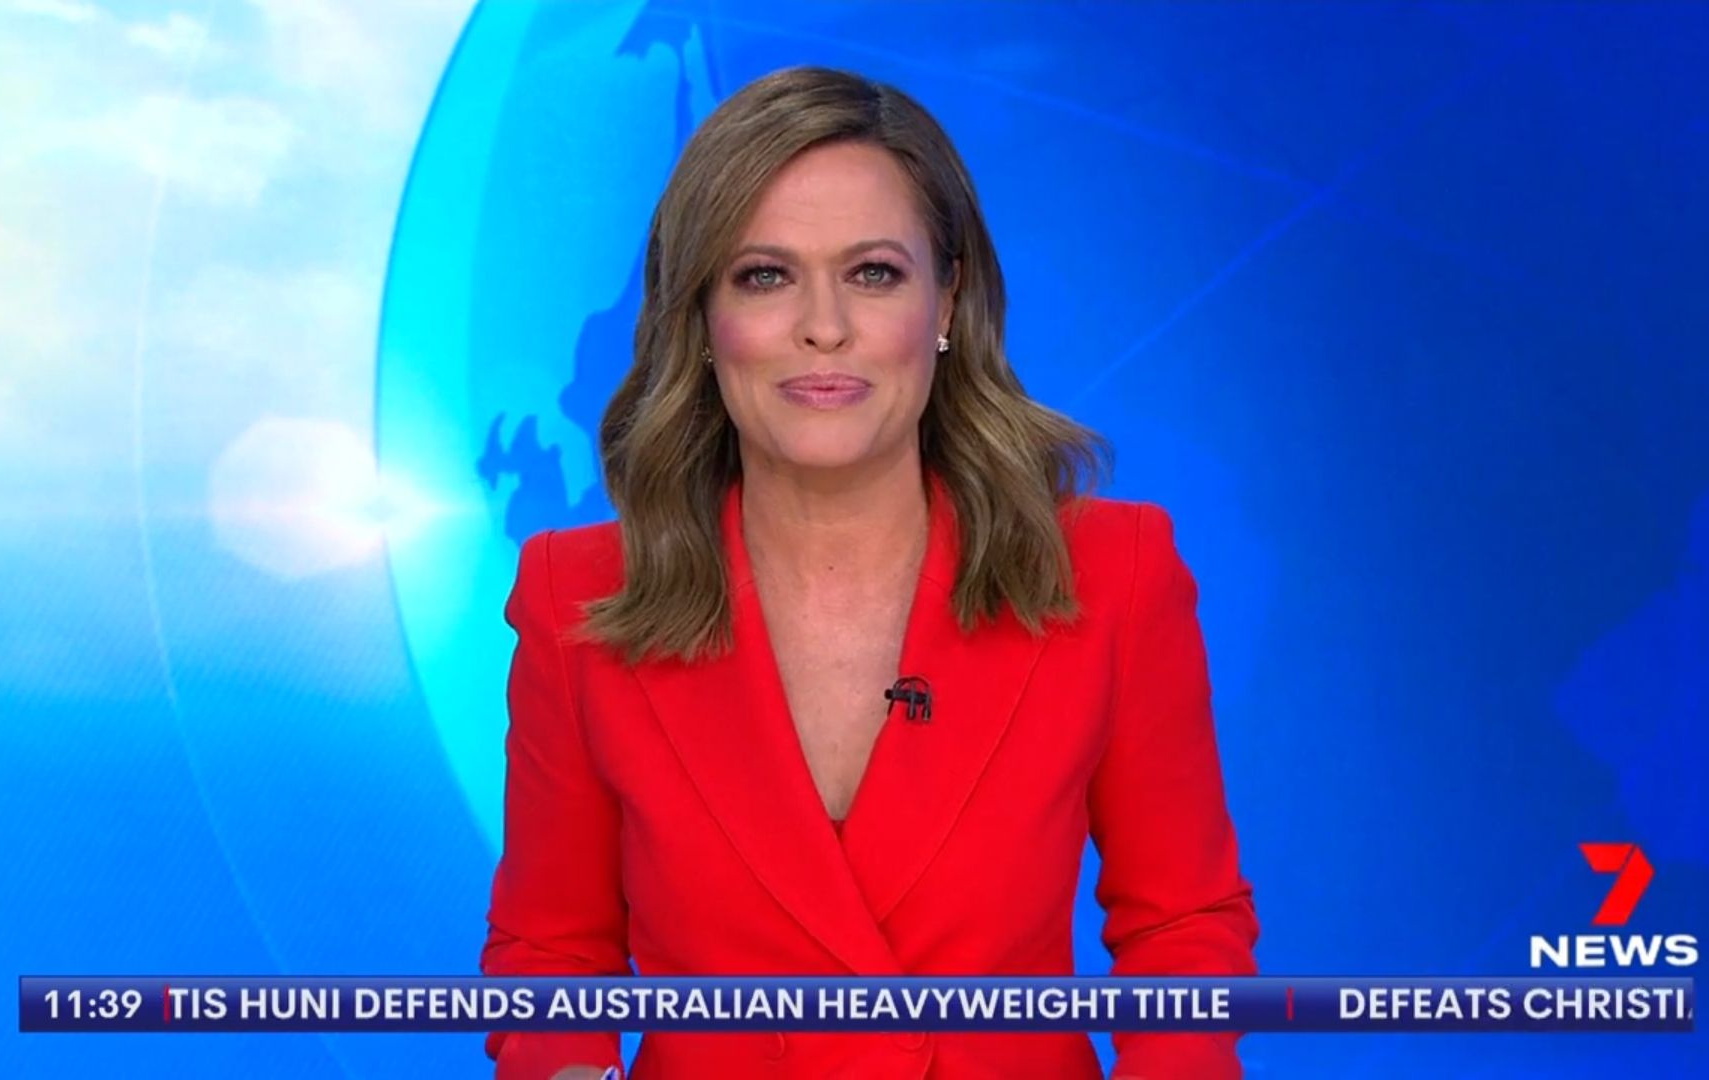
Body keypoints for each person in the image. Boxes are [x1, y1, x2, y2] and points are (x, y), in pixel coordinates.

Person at [480, 65, 1257, 1080]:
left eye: (874, 273)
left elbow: (1181, 929)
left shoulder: (1113, 573)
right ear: (701, 318)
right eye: (765, 275)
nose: (825, 326)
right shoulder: (576, 598)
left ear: (947, 301)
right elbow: (553, 956)